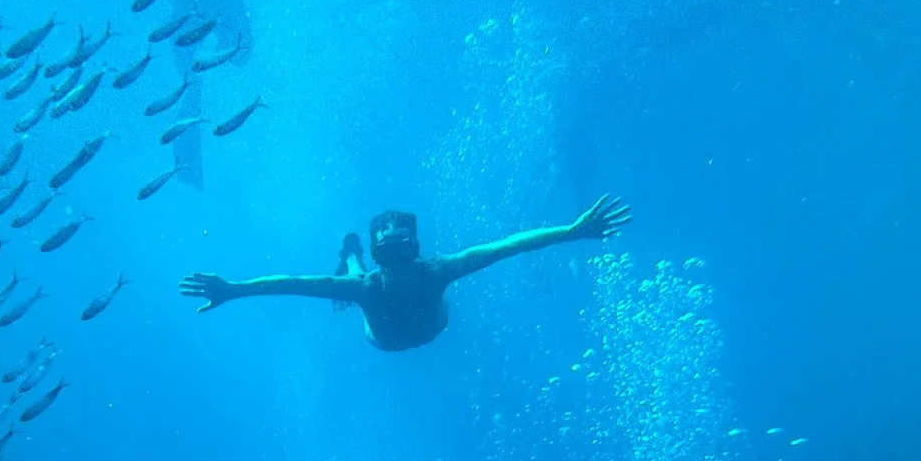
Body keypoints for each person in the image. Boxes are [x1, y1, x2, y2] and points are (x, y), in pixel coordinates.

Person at [179, 195, 632, 351]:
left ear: (413, 251)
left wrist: (572, 232)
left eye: (402, 252)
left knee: (352, 283)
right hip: (401, 334)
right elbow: (291, 284)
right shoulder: (413, 276)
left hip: (397, 334)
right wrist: (233, 289)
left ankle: (352, 254)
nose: (397, 262)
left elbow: (508, 245)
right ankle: (351, 254)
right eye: (390, 255)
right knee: (352, 282)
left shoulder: (429, 273)